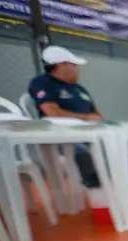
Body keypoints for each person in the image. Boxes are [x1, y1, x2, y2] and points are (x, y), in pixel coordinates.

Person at [28, 45, 101, 189]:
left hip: (89, 134)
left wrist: (92, 119)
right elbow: (52, 112)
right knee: (80, 151)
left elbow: (98, 115)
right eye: (74, 65)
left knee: (116, 146)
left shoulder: (80, 89)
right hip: (62, 137)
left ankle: (111, 186)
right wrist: (86, 118)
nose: (78, 70)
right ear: (61, 65)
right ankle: (96, 186)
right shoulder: (42, 83)